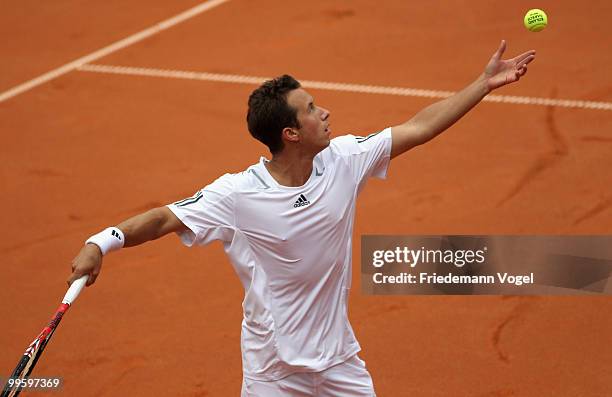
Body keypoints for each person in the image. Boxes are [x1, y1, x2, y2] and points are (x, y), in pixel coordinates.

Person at [68, 40, 535, 396]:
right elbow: (164, 219)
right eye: (312, 109)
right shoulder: (238, 194)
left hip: (337, 361)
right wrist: (100, 242)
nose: (325, 111)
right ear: (290, 133)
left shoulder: (345, 159)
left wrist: (483, 83)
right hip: (273, 371)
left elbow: (420, 126)